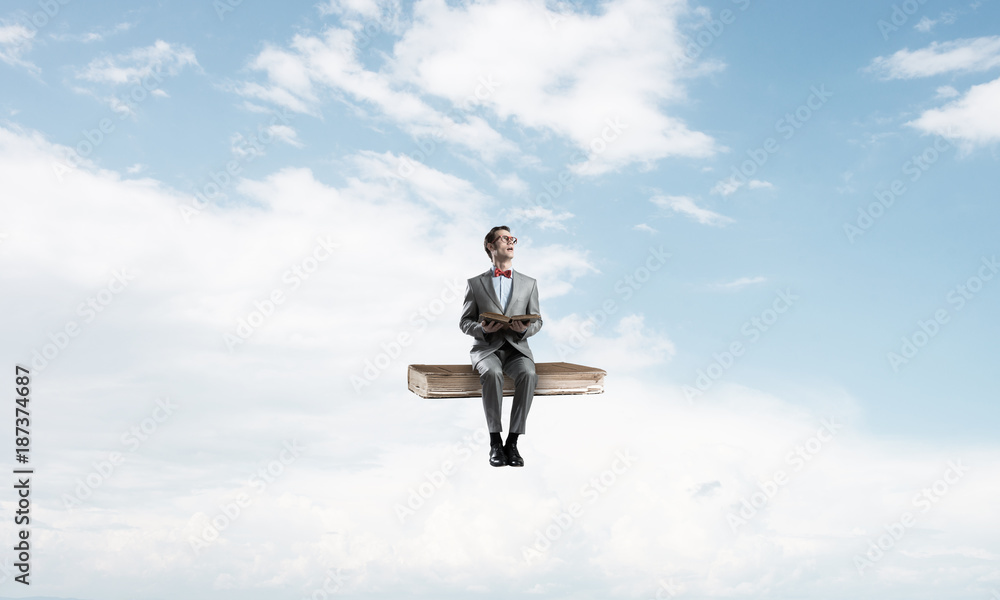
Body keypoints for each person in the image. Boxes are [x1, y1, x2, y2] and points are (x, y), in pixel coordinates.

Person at [459, 226, 542, 467]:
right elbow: (465, 322)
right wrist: (483, 330)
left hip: (517, 349)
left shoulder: (530, 283)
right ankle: (495, 441)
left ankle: (513, 442)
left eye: (512, 238)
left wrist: (524, 329)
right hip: (487, 349)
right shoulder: (475, 284)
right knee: (493, 373)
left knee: (528, 373)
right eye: (505, 238)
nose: (511, 241)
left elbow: (539, 320)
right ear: (490, 246)